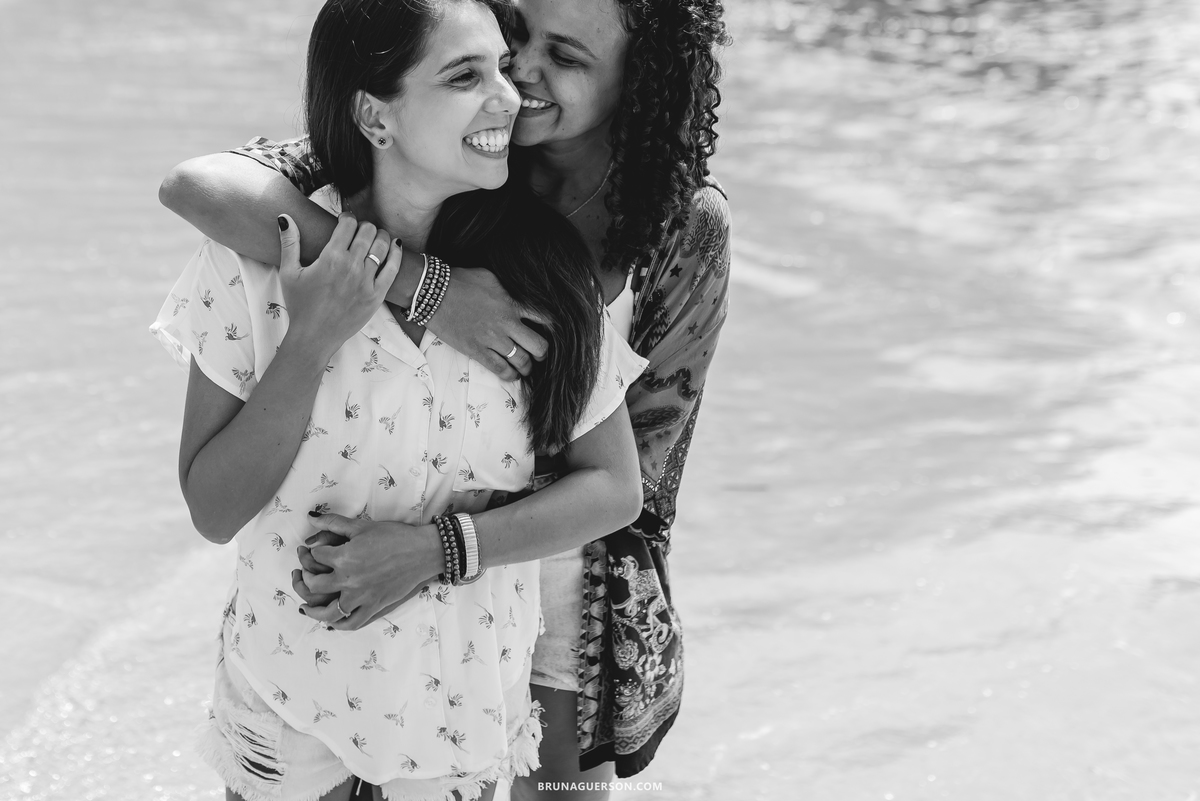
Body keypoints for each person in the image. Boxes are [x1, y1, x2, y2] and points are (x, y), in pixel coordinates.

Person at [159, 0, 733, 795]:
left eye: (563, 57)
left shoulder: (643, 240)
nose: (519, 78)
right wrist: (422, 289)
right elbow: (207, 186)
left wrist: (438, 550)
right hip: (309, 660)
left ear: (635, 84)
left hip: (538, 595)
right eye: (512, 40)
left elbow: (630, 490)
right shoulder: (404, 170)